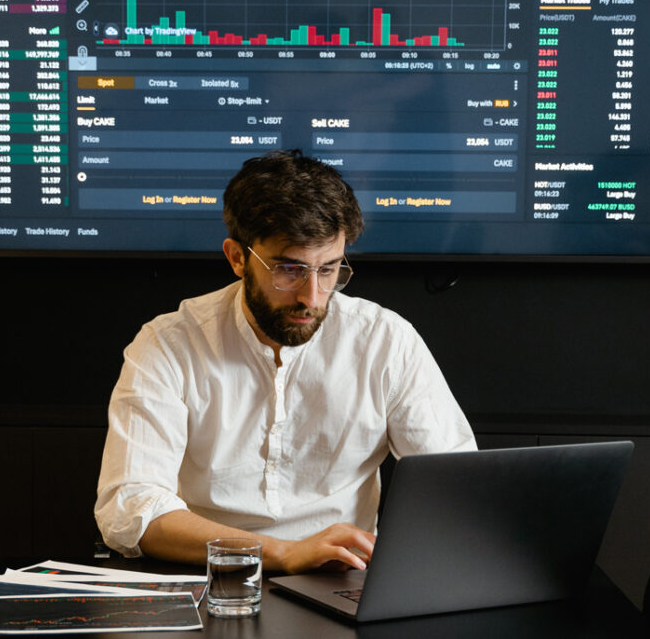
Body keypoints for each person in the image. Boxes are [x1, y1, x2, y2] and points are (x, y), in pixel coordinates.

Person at [94, 150, 475, 574]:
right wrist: (281, 552)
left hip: (345, 580)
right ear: (237, 258)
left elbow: (456, 488)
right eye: (289, 270)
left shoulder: (386, 340)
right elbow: (129, 510)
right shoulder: (168, 344)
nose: (311, 297)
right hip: (206, 578)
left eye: (329, 270)